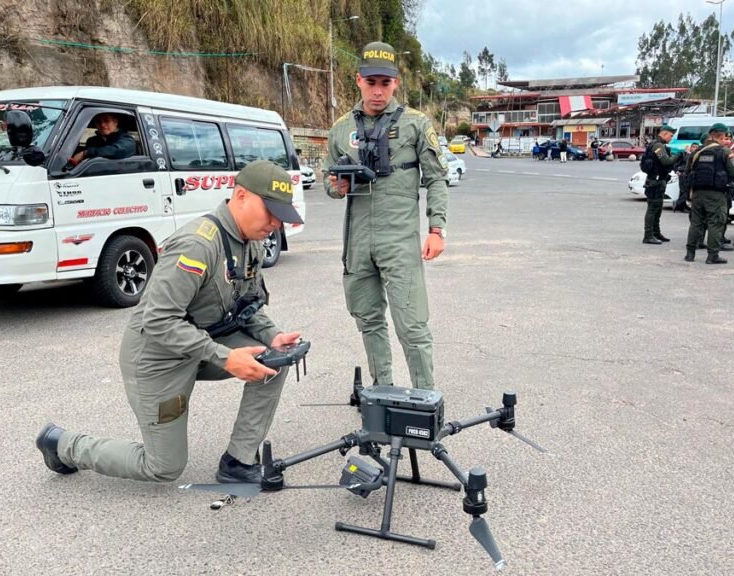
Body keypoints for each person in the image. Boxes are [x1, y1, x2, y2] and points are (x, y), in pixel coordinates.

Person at [36, 159, 305, 484]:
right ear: (242, 195)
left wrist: (273, 336)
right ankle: (62, 445)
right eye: (270, 211)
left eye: (282, 215)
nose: (276, 223)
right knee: (163, 466)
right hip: (158, 358)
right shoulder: (198, 244)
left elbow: (248, 305)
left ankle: (238, 462)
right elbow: (159, 322)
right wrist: (226, 357)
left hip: (200, 345)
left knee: (272, 362)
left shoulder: (252, 242)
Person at [325, 41, 448, 390]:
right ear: (358, 80)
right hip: (358, 241)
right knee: (369, 320)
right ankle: (382, 394)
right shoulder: (340, 129)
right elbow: (328, 182)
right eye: (371, 82)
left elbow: (436, 177)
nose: (378, 91)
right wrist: (338, 187)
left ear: (395, 83)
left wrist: (436, 228)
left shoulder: (416, 124)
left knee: (412, 325)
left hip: (399, 240)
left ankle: (425, 397)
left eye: (385, 83)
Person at [684, 123, 734, 264]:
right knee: (715, 224)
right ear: (722, 136)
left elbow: (687, 171)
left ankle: (690, 254)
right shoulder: (725, 152)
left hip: (697, 193)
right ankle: (712, 255)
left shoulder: (696, 152)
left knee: (696, 223)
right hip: (716, 194)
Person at [641, 124, 682, 245]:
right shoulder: (658, 145)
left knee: (657, 209)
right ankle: (648, 235)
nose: (671, 138)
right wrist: (678, 156)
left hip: (658, 180)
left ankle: (656, 233)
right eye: (670, 135)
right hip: (655, 181)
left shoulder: (659, 145)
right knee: (653, 209)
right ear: (664, 134)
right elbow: (665, 161)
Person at [69, 112, 136, 166]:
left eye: (106, 120)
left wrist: (86, 153)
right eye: (98, 121)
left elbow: (116, 151)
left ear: (115, 122)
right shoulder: (92, 141)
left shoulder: (127, 140)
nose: (102, 125)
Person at [673, 142, 700, 213]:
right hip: (683, 175)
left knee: (687, 192)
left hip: (691, 176)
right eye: (693, 147)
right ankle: (678, 204)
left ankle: (682, 206)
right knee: (684, 192)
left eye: (696, 147)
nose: (694, 148)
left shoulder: (698, 155)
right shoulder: (684, 154)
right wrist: (676, 171)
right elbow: (675, 164)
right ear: (690, 148)